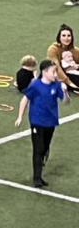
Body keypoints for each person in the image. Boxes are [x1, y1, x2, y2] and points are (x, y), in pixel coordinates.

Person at [15, 59, 68, 188]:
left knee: (45, 148)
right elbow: (25, 99)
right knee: (38, 149)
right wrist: (20, 116)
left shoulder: (56, 86)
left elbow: (65, 101)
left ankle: (39, 174)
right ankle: (37, 178)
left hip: (51, 122)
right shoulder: (35, 85)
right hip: (37, 121)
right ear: (44, 72)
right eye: (53, 72)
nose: (56, 75)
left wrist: (65, 91)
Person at [46, 24, 79, 91]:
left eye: (69, 36)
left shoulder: (75, 50)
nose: (66, 38)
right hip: (57, 75)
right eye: (63, 35)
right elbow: (56, 67)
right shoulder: (53, 49)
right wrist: (68, 82)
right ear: (59, 37)